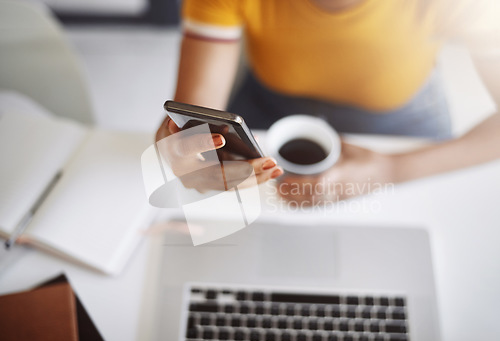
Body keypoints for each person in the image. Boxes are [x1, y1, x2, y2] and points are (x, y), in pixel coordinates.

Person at [156, 0, 500, 203]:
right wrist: (183, 150)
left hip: (403, 120)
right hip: (270, 107)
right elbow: (190, 118)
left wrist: (393, 169)